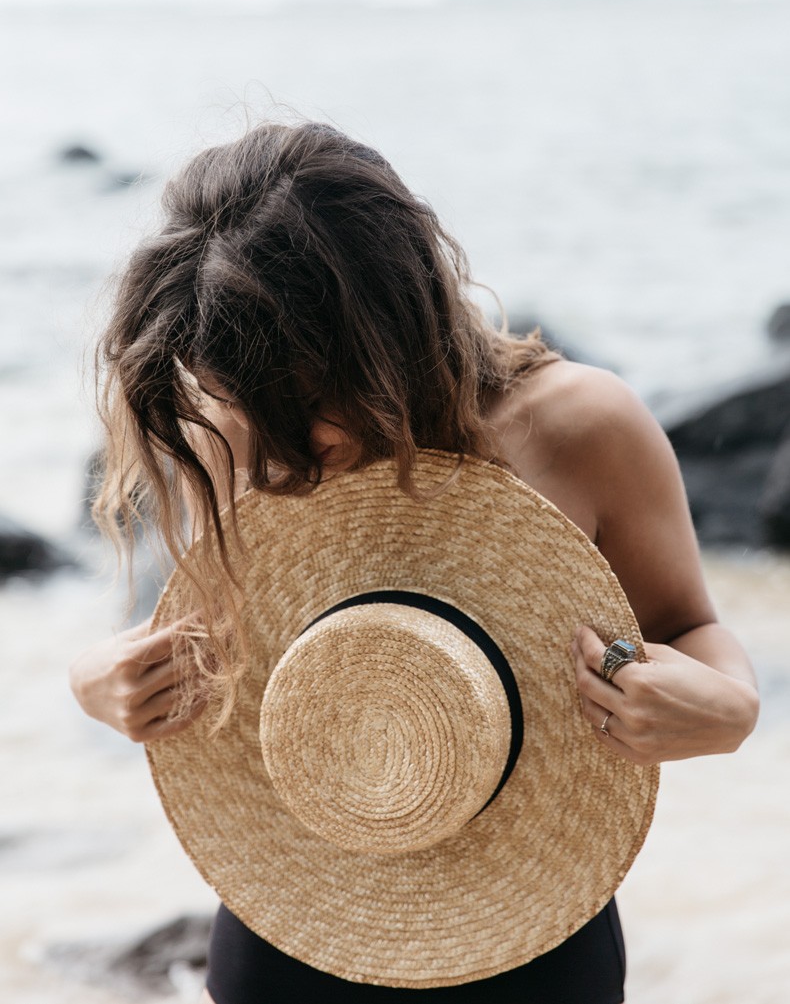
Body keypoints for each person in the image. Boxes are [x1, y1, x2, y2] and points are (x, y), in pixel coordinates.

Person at [69, 121, 759, 1004]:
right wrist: (99, 680)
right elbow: (214, 646)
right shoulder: (245, 436)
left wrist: (728, 709)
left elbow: (686, 628)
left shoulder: (579, 428)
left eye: (308, 401)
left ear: (396, 331)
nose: (280, 445)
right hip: (288, 926)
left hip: (533, 938)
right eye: (243, 402)